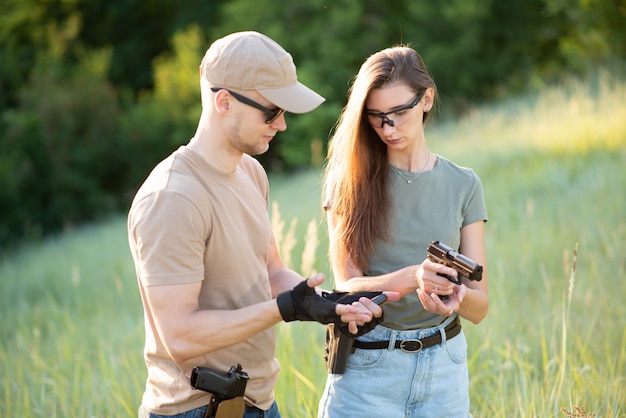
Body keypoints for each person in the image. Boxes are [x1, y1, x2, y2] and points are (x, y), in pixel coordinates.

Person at [127, 31, 390, 418]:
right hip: (196, 410)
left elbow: (271, 273)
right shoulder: (172, 197)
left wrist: (326, 304)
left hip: (259, 402)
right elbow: (180, 336)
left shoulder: (251, 172)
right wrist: (285, 309)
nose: (281, 125)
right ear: (224, 102)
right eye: (272, 111)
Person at [317, 45, 489, 417]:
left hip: (444, 370)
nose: (387, 128)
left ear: (426, 99)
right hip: (368, 370)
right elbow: (346, 285)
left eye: (398, 113)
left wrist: (456, 294)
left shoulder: (464, 184)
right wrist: (413, 277)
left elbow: (481, 305)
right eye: (376, 117)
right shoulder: (348, 182)